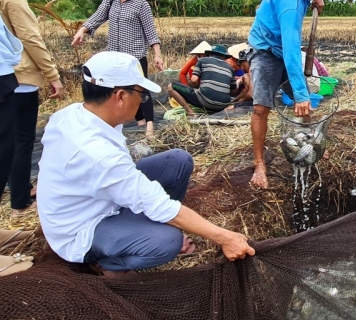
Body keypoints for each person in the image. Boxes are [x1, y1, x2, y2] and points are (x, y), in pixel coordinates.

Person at [36, 51, 255, 276]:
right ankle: (108, 263)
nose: (142, 100)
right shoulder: (98, 155)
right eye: (140, 93)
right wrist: (225, 237)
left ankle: (141, 228)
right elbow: (157, 204)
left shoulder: (73, 114)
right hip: (81, 228)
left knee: (177, 161)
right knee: (167, 241)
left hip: (96, 200)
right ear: (120, 96)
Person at [247, 0, 338, 189]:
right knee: (261, 108)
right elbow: (290, 52)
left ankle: (311, 142)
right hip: (266, 48)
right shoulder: (292, 4)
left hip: (282, 44)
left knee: (303, 100)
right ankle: (259, 164)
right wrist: (300, 93)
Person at [1, 0, 64, 220]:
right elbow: (29, 36)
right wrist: (52, 74)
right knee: (19, 141)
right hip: (16, 77)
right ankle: (19, 202)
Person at [72, 0, 164, 137]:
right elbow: (97, 18)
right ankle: (139, 122)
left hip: (134, 57)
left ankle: (149, 128)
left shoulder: (141, 4)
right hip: (115, 58)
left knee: (141, 90)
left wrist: (157, 54)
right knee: (119, 90)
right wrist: (82, 30)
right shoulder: (110, 1)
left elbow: (150, 31)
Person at [167, 44, 239, 116]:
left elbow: (194, 80)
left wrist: (194, 86)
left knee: (171, 87)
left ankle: (190, 112)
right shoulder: (229, 67)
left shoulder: (203, 60)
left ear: (210, 54)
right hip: (222, 105)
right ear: (224, 56)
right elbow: (232, 91)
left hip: (204, 100)